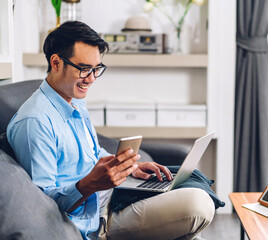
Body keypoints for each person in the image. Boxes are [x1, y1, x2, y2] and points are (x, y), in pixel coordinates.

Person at [7, 21, 214, 240]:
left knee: (188, 215)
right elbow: (43, 204)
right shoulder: (35, 122)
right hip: (95, 219)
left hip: (111, 196)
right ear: (56, 63)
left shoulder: (73, 100)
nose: (91, 78)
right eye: (84, 69)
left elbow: (93, 153)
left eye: (97, 69)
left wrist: (127, 167)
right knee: (197, 204)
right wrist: (90, 184)